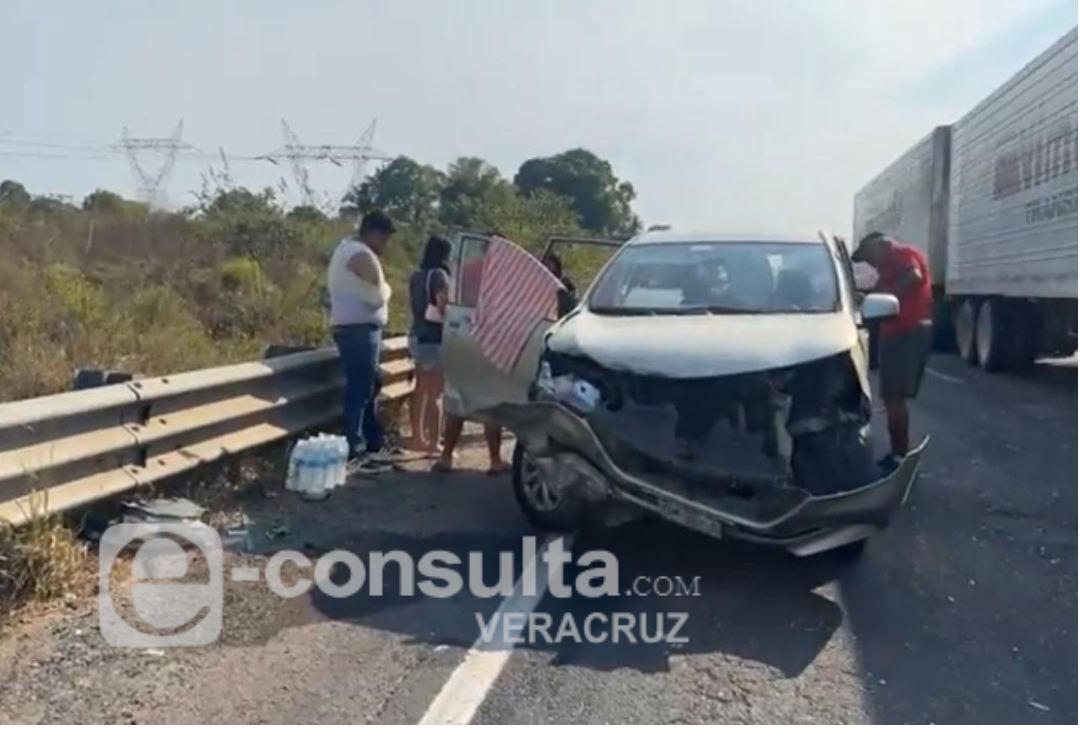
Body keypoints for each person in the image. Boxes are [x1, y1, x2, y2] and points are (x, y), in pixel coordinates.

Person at [852, 231, 934, 471]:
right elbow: (873, 296)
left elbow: (914, 276)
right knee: (892, 398)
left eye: (869, 257)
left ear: (879, 246)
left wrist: (888, 296)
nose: (871, 264)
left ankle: (900, 456)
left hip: (904, 331)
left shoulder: (898, 255)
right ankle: (898, 452)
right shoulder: (889, 265)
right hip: (900, 331)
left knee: (894, 398)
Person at [327, 211, 396, 464]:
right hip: (358, 330)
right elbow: (377, 294)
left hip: (356, 329)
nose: (385, 244)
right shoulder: (359, 253)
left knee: (369, 384)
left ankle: (371, 439)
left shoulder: (345, 249)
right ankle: (354, 443)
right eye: (385, 238)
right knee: (361, 387)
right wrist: (386, 291)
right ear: (374, 233)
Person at [407, 236, 452, 454]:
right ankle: (435, 443)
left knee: (420, 390)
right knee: (436, 394)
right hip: (434, 338)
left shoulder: (416, 275)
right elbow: (443, 305)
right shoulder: (439, 276)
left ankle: (417, 438)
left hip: (417, 335)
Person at [541, 252, 578, 316]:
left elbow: (573, 293)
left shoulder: (564, 280)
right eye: (546, 264)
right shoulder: (542, 279)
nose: (548, 266)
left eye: (550, 264)